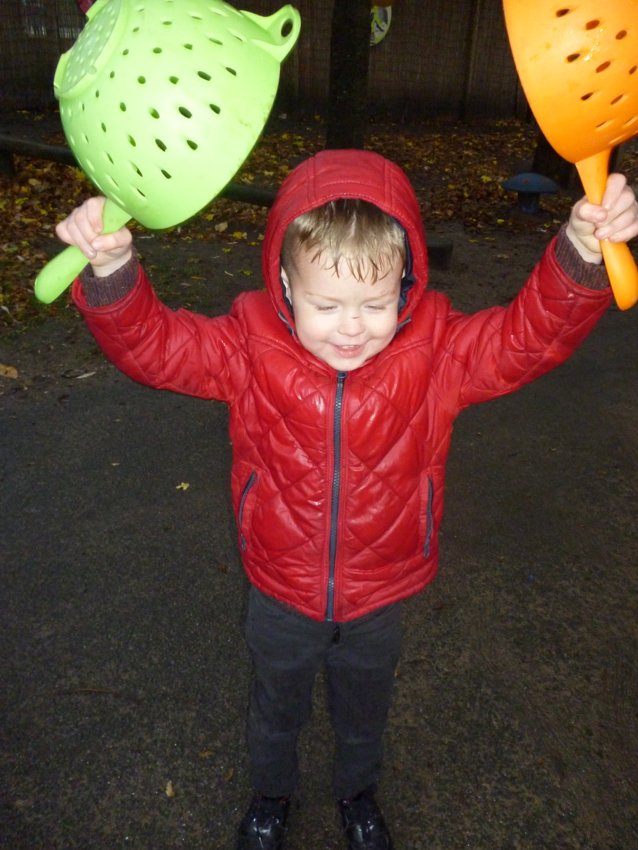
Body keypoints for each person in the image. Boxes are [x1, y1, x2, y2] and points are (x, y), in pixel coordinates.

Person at [56, 149, 638, 850]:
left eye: (376, 303)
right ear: (285, 285)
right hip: (279, 585)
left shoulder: (437, 352)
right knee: (277, 708)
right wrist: (113, 272)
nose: (353, 327)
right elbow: (157, 348)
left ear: (408, 283)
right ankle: (272, 794)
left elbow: (526, 339)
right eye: (328, 305)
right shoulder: (248, 348)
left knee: (366, 709)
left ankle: (358, 794)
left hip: (380, 589)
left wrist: (578, 251)